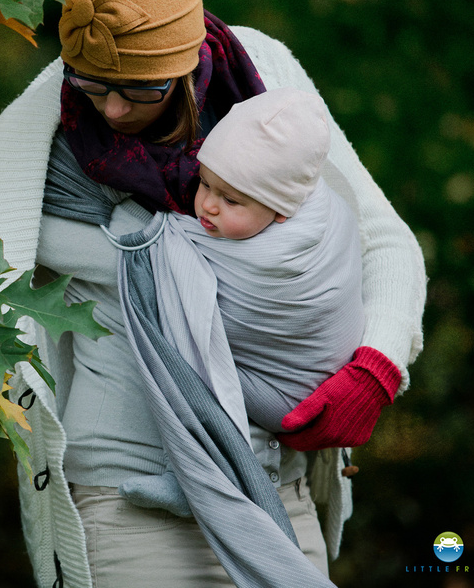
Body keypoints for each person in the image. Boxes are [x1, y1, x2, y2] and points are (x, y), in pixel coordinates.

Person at [0, 0, 426, 585]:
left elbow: (381, 239)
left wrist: (377, 368)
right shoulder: (38, 130)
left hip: (274, 495)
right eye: (91, 85)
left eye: (140, 90)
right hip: (127, 507)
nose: (113, 109)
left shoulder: (265, 89)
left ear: (188, 61)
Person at [116, 86, 363, 526]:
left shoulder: (289, 247)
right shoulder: (318, 205)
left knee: (189, 345)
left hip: (292, 396)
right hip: (306, 382)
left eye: (231, 200)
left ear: (282, 211)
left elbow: (165, 244)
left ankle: (194, 479)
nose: (207, 205)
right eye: (205, 183)